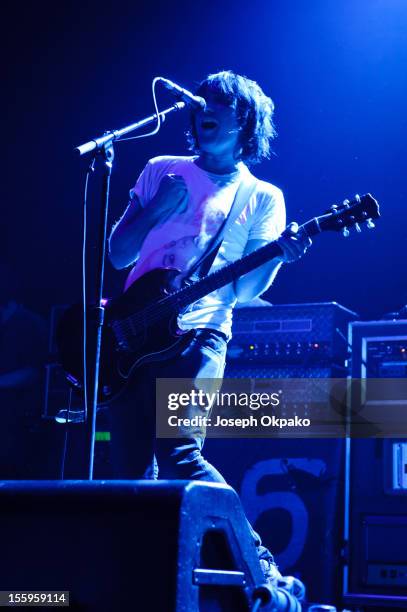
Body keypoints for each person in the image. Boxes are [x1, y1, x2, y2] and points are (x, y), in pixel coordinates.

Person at [108, 71, 311, 592]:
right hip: (130, 337)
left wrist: (279, 260)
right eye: (200, 98)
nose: (203, 106)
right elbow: (119, 254)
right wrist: (155, 210)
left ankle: (257, 559)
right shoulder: (161, 169)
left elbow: (243, 292)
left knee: (178, 452)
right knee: (126, 470)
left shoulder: (261, 195)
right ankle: (136, 585)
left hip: (199, 338)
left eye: (218, 101)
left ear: (244, 121)